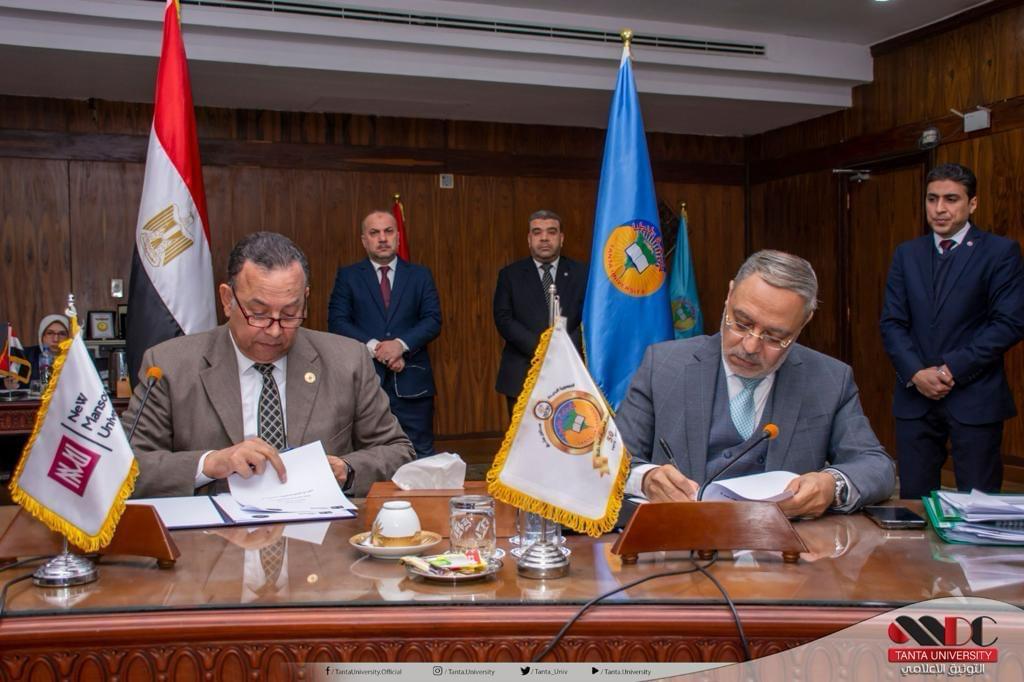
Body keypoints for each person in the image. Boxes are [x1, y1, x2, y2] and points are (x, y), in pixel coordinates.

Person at [124, 231, 414, 498]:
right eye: (259, 314)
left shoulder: (347, 361)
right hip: (209, 534)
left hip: (322, 532)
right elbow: (124, 467)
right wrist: (209, 464)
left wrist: (345, 471)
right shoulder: (169, 365)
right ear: (227, 299)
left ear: (305, 300)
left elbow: (398, 453)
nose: (275, 331)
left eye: (289, 314)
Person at [618, 250, 896, 517]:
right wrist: (647, 479)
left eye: (774, 337)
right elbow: (610, 462)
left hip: (784, 543)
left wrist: (831, 486)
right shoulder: (663, 366)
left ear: (804, 323)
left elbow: (877, 466)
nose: (750, 346)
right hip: (682, 539)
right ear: (729, 295)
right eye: (741, 323)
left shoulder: (829, 380)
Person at [880, 163, 1024, 498]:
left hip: (975, 397)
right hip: (915, 398)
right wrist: (916, 373)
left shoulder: (1000, 252)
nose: (940, 208)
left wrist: (950, 369)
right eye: (932, 199)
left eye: (951, 199)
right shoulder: (907, 254)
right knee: (914, 503)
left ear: (972, 203)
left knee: (978, 506)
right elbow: (892, 322)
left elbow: (1008, 323)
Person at [328, 210, 441, 459]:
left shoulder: (420, 275)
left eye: (388, 231)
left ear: (398, 237)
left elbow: (432, 320)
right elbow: (337, 322)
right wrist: (377, 349)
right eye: (374, 233)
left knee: (421, 456)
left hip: (413, 385)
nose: (382, 238)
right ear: (364, 240)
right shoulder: (348, 276)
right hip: (366, 384)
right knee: (370, 457)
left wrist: (400, 345)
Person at [493, 210, 587, 415]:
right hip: (523, 373)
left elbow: (590, 318)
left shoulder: (583, 274)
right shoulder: (510, 275)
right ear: (529, 239)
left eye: (551, 232)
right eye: (537, 232)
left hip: (571, 369)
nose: (544, 238)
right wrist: (542, 348)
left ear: (561, 238)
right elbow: (503, 319)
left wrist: (563, 348)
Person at [25, 314, 70, 383]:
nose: (56, 339)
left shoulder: (79, 358)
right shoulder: (26, 356)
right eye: (50, 333)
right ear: (41, 336)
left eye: (62, 334)